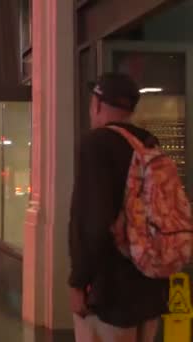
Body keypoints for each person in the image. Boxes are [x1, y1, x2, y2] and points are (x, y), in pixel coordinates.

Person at [69, 72, 168, 342]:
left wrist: (79, 282)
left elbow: (93, 223)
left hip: (110, 290)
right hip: (150, 284)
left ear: (98, 104)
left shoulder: (95, 144)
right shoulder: (149, 143)